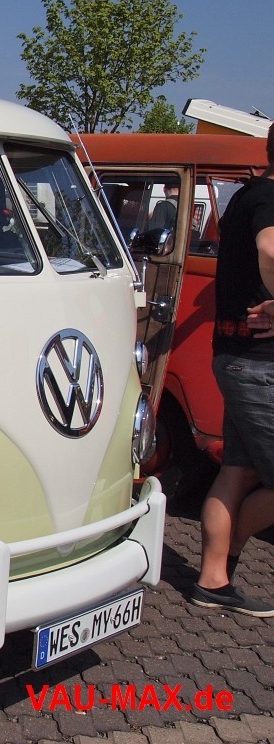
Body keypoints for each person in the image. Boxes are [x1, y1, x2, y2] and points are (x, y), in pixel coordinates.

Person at [191, 122, 274, 617]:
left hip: (238, 358)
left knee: (238, 470)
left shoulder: (248, 194)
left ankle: (213, 579)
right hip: (257, 364)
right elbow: (270, 249)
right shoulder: (268, 197)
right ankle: (222, 563)